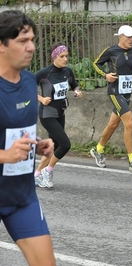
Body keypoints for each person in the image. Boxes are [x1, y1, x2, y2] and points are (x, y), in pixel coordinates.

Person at [0, 10, 56, 265]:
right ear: (2, 44)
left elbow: (15, 129)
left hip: (21, 196)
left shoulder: (28, 81)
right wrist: (5, 155)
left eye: (32, 39)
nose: (31, 47)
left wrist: (39, 143)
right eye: (23, 41)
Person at [91, 25, 132, 172]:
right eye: (128, 37)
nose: (131, 39)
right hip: (115, 92)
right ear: (120, 37)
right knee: (130, 123)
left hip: (127, 92)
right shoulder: (111, 51)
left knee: (113, 124)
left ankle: (98, 149)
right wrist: (105, 75)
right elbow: (96, 64)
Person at [34, 42, 83, 188]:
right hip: (47, 114)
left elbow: (75, 85)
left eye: (67, 56)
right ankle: (47, 171)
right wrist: (41, 98)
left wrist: (77, 91)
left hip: (60, 113)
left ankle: (37, 174)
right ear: (55, 56)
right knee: (65, 144)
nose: (65, 59)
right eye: (62, 56)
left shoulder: (68, 72)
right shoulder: (44, 73)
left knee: (53, 146)